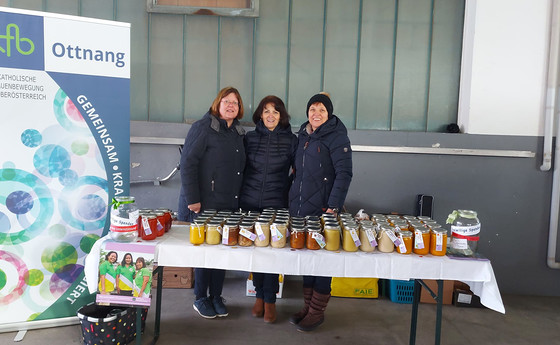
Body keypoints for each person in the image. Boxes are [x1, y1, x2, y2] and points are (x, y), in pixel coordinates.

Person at [178, 86, 246, 319]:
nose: (230, 106)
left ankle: (216, 295)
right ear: (217, 104)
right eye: (226, 101)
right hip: (205, 203)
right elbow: (187, 164)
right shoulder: (203, 127)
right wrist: (193, 200)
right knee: (205, 254)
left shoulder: (238, 132)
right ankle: (200, 298)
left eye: (235, 103)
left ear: (239, 108)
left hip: (228, 203)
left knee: (221, 253)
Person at [288, 92, 353, 332]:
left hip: (324, 209)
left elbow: (344, 174)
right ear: (307, 112)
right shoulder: (303, 135)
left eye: (322, 110)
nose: (316, 113)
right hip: (300, 208)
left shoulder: (336, 137)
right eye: (313, 109)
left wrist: (333, 207)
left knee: (323, 261)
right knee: (308, 259)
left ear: (329, 114)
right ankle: (307, 307)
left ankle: (317, 312)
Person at [239, 95, 297, 324]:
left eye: (275, 111)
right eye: (266, 111)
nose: (270, 115)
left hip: (277, 204)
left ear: (281, 115)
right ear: (260, 115)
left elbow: (298, 172)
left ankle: (270, 300)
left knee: (272, 254)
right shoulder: (250, 139)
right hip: (250, 201)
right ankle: (258, 297)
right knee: (255, 252)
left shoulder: (291, 140)